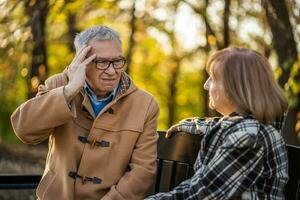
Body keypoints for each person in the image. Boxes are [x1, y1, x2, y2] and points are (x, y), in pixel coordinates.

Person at [11, 25, 160, 200]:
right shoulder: (58, 86)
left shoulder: (145, 104)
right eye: (102, 62)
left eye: (117, 61)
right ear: (82, 61)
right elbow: (24, 130)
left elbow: (143, 170)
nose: (112, 71)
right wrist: (69, 91)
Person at [146, 47, 288, 199]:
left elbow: (200, 194)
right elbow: (219, 125)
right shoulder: (254, 128)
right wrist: (189, 125)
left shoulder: (249, 138)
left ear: (234, 87)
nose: (206, 85)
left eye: (212, 78)